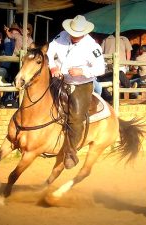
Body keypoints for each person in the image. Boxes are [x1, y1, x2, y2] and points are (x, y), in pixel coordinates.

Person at [47, 15, 105, 169]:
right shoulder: (62, 35)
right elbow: (49, 50)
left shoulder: (93, 47)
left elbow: (100, 68)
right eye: (72, 32)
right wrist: (52, 66)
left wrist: (82, 71)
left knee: (76, 117)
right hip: (59, 78)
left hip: (81, 85)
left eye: (77, 33)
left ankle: (71, 153)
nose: (74, 35)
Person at [99, 33, 136, 101]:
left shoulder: (106, 39)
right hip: (120, 63)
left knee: (111, 81)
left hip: (108, 64)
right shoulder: (124, 39)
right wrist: (127, 62)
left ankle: (113, 98)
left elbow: (101, 52)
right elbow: (128, 51)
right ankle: (126, 93)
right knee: (119, 80)